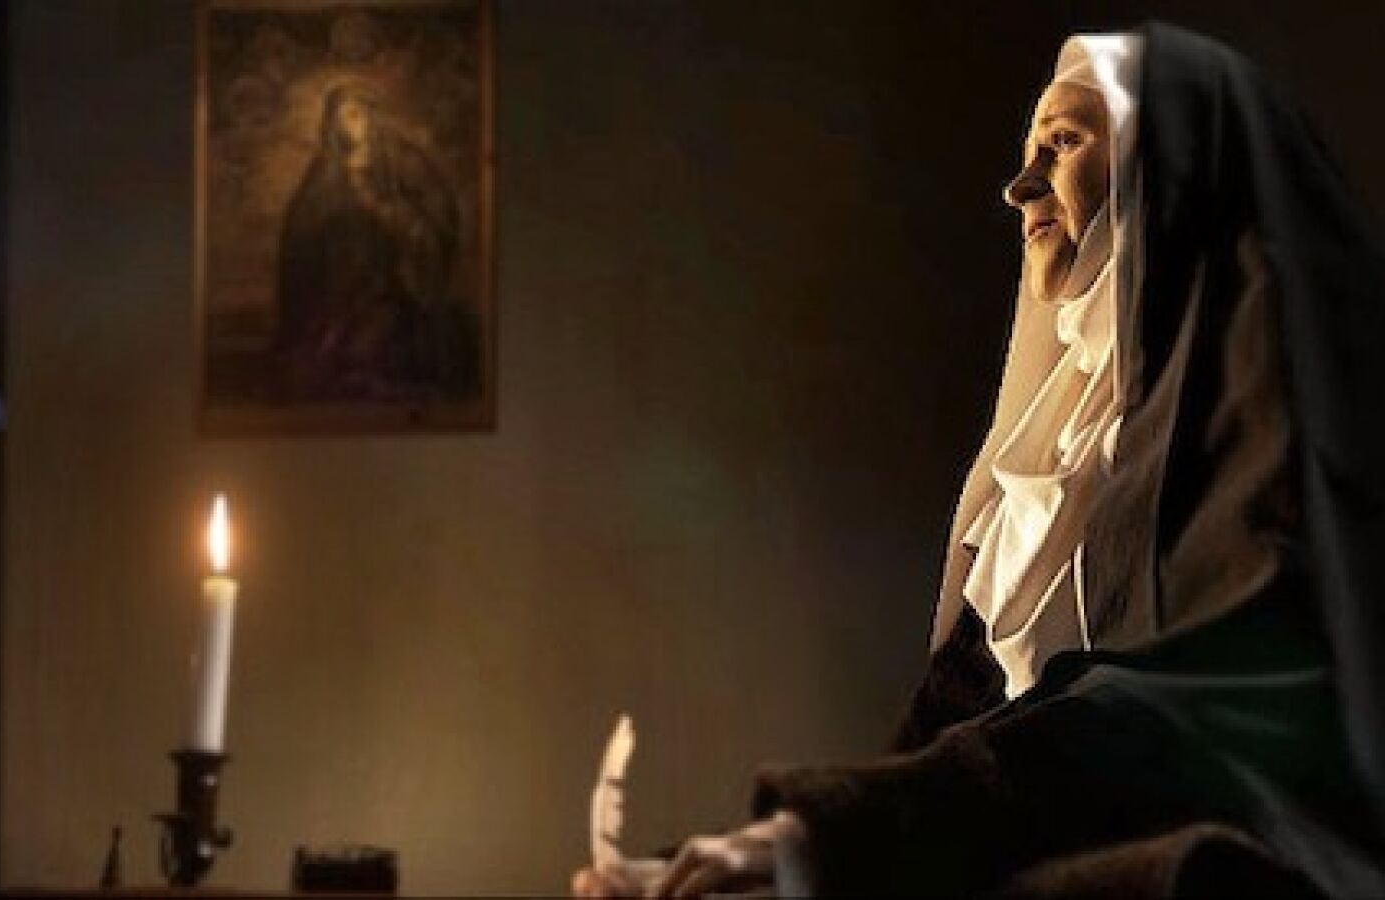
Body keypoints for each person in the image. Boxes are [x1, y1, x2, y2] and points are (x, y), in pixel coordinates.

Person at [574, 22, 1385, 898]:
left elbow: (1213, 704)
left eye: (1063, 142)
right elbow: (952, 727)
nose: (1020, 186)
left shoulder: (1270, 392)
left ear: (1170, 170)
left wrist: (819, 836)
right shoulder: (1057, 437)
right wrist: (757, 857)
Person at [274, 79, 476, 402]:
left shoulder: (404, 161)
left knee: (373, 351)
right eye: (341, 118)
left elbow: (436, 220)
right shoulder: (325, 170)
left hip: (394, 287)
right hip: (339, 290)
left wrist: (383, 212)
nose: (349, 125)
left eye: (356, 114)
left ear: (372, 116)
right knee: (319, 363)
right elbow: (301, 232)